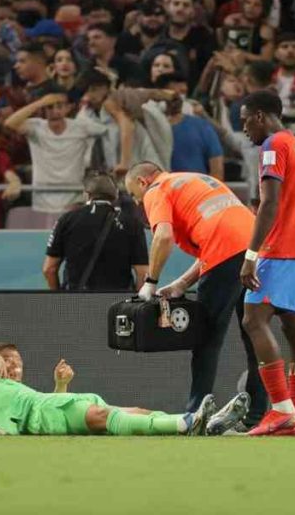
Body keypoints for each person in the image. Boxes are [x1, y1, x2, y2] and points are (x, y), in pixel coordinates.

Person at [124, 162, 267, 432]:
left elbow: (163, 237)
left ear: (143, 182)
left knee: (206, 340)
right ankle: (256, 417)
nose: (138, 202)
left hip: (227, 251)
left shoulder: (157, 189)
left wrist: (150, 282)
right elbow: (218, 242)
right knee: (254, 336)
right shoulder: (193, 179)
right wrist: (182, 283)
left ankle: (194, 414)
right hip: (254, 251)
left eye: (134, 195)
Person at [238, 90, 295, 437]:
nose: (243, 129)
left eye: (244, 120)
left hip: (283, 247)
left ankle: (282, 409)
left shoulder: (273, 144)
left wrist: (251, 255)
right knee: (294, 327)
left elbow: (270, 203)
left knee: (253, 319)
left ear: (259, 116)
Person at [0, 343, 230, 436]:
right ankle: (186, 423)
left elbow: (54, 417)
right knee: (103, 416)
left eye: (18, 362)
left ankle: (198, 423)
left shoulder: (17, 392)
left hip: (53, 406)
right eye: (8, 361)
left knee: (137, 411)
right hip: (45, 410)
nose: (15, 367)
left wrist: (61, 385)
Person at [4, 89, 107, 216]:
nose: (55, 111)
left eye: (59, 106)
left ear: (68, 108)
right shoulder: (36, 127)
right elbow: (10, 123)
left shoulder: (81, 127)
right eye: (49, 107)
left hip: (73, 196)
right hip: (42, 196)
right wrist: (39, 103)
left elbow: (107, 131)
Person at [43, 170, 148, 291]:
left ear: (86, 194)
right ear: (116, 195)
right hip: (117, 301)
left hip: (75, 300)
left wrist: (59, 298)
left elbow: (49, 269)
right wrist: (136, 303)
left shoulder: (66, 220)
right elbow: (143, 273)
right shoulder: (132, 223)